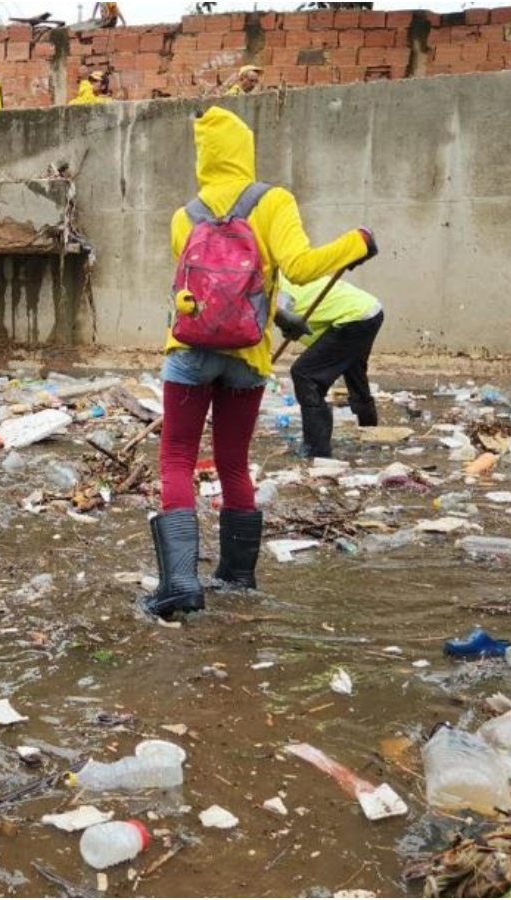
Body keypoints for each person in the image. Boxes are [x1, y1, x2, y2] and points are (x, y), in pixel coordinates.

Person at [140, 106, 374, 620]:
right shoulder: (273, 201)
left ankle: (180, 584)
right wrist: (356, 244)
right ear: (245, 150)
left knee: (177, 459)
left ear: (204, 156)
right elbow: (303, 268)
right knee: (233, 463)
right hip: (248, 356)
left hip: (188, 353)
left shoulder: (185, 215)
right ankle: (237, 576)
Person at [273, 274, 385, 459]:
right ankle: (369, 429)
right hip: (370, 310)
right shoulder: (283, 274)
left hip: (354, 317)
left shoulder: (275, 288)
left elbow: (282, 308)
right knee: (353, 368)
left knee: (305, 374)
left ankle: (317, 450)